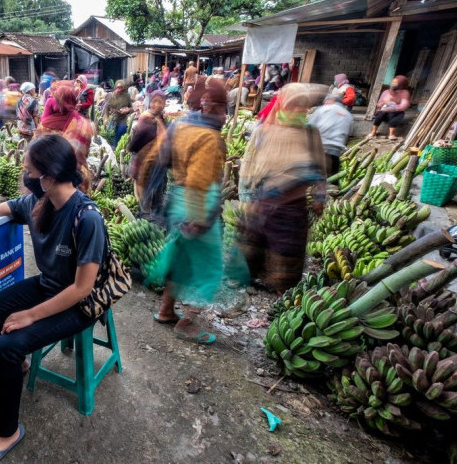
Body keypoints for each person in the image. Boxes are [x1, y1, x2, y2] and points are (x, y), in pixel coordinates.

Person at [0, 134, 106, 464]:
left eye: (28, 169)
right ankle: (19, 364)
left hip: (77, 303)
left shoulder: (86, 218)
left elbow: (81, 289)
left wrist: (30, 316)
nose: (24, 174)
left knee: (7, 346)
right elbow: (8, 207)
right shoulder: (40, 202)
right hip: (48, 287)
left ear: (47, 177)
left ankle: (7, 431)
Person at [149, 79, 229, 344]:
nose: (226, 116)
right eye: (224, 109)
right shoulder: (209, 137)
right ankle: (188, 322)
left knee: (179, 259)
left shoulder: (182, 124)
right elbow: (200, 180)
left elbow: (162, 155)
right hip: (198, 202)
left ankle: (165, 310)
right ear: (213, 107)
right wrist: (201, 219)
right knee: (208, 267)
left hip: (178, 198)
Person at [238, 83, 328, 294]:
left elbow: (320, 168)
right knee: (253, 248)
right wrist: (246, 197)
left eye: (302, 106)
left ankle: (283, 292)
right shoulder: (263, 131)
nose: (297, 111)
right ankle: (251, 282)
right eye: (293, 105)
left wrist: (319, 196)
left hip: (293, 206)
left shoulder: (310, 133)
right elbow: (248, 164)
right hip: (263, 202)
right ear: (281, 105)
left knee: (288, 251)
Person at [128, 89, 167, 217]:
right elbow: (137, 138)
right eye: (155, 101)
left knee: (157, 186)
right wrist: (133, 149)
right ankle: (145, 214)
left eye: (161, 102)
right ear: (150, 102)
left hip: (158, 160)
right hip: (144, 159)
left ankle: (156, 212)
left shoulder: (160, 117)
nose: (157, 105)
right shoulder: (146, 117)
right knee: (146, 186)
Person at [309, 93, 353, 176]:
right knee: (331, 178)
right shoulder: (348, 115)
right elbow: (348, 134)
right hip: (336, 151)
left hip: (319, 148)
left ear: (331, 100)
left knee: (314, 176)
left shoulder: (323, 109)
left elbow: (310, 126)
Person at [368, 75, 411, 141]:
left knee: (393, 114)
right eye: (393, 82)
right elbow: (378, 104)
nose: (393, 84)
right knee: (381, 114)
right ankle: (373, 132)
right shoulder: (386, 92)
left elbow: (404, 106)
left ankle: (391, 134)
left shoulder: (405, 93)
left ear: (401, 84)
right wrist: (384, 103)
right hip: (384, 112)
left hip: (397, 112)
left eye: (395, 82)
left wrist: (393, 106)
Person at [105, 80, 132, 147]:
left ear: (124, 88)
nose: (119, 89)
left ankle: (117, 148)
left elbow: (131, 107)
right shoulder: (112, 96)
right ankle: (113, 148)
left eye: (121, 87)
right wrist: (106, 118)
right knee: (112, 135)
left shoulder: (127, 96)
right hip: (113, 119)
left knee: (121, 132)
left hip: (123, 118)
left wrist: (127, 110)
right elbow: (106, 107)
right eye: (117, 87)